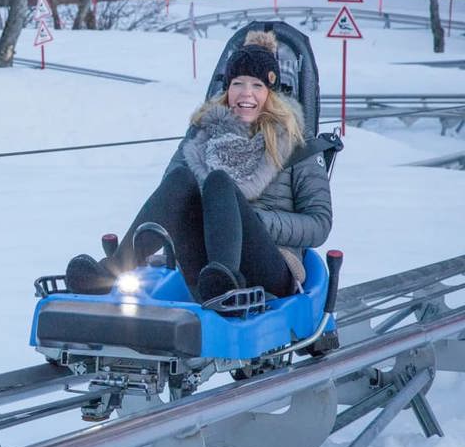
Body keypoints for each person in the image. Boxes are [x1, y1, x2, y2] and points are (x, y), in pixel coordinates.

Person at [65, 30, 333, 303]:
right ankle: (112, 270)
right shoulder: (201, 136)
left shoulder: (297, 143)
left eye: (257, 85)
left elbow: (320, 223)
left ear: (271, 92)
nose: (246, 93)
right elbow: (171, 199)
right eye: (238, 83)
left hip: (272, 267)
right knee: (182, 177)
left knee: (218, 181)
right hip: (204, 270)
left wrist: (258, 222)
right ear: (227, 88)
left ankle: (225, 278)